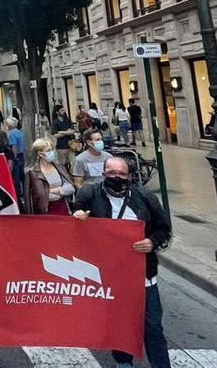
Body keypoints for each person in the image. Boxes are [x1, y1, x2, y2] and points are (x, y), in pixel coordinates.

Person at [72, 157, 172, 368]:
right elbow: (74, 223)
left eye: (122, 174)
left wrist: (151, 242)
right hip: (111, 275)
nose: (117, 177)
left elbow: (164, 229)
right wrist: (79, 216)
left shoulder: (145, 198)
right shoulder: (90, 194)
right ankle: (123, 362)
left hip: (143, 274)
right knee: (120, 324)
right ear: (104, 174)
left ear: (129, 176)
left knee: (153, 327)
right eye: (111, 173)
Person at [24, 138, 74, 216]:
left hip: (63, 208)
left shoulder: (59, 167)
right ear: (40, 153)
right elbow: (33, 197)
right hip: (45, 212)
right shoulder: (32, 173)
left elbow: (71, 188)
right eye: (48, 151)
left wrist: (52, 190)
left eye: (52, 149)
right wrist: (61, 191)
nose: (52, 152)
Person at [4, 116, 25, 200]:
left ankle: (18, 193)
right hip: (21, 155)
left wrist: (13, 157)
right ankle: (25, 190)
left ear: (9, 125)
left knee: (16, 176)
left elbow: (14, 146)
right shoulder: (20, 132)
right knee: (21, 175)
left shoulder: (11, 134)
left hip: (16, 156)